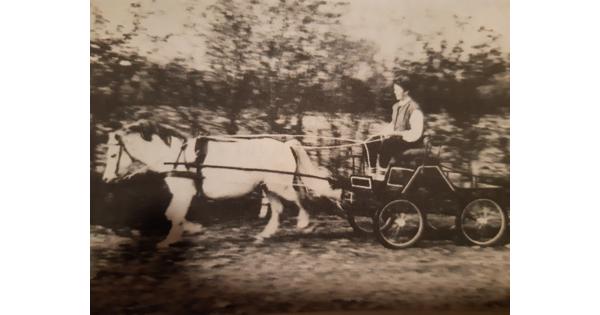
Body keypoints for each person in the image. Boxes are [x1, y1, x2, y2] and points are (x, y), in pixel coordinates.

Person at [366, 83, 424, 180]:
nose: (395, 92)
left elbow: (416, 133)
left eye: (397, 90)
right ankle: (371, 175)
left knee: (388, 144)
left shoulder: (414, 109)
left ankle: (380, 178)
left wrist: (396, 133)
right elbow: (393, 124)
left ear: (406, 91)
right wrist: (381, 134)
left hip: (411, 141)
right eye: (394, 89)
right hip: (397, 139)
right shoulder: (396, 106)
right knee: (371, 142)